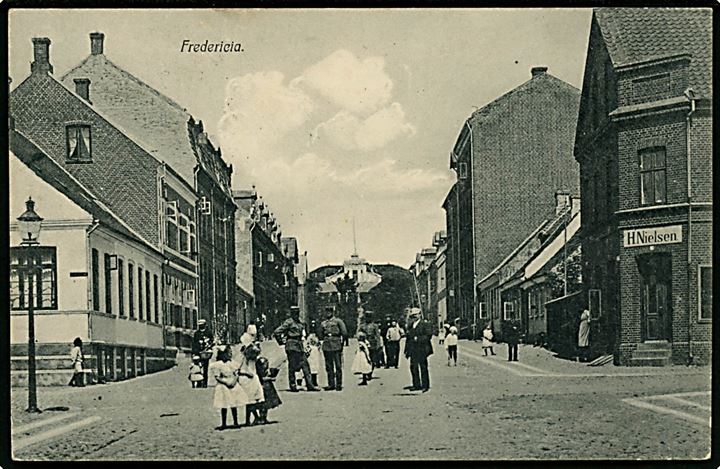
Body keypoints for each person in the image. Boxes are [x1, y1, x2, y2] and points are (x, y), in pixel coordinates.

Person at [273, 306, 320, 392]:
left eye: (297, 312)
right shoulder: (288, 322)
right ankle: (293, 385)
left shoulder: (300, 322)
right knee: (292, 366)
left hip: (299, 345)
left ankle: (310, 385)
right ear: (292, 313)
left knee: (305, 365)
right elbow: (277, 332)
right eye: (294, 313)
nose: (296, 314)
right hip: (291, 345)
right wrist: (281, 342)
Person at [209, 345, 247, 430]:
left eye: (230, 353)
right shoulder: (218, 365)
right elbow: (217, 377)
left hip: (232, 383)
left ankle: (235, 422)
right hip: (223, 385)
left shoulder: (231, 363)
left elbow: (236, 372)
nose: (230, 355)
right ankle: (224, 423)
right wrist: (226, 382)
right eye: (228, 353)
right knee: (224, 404)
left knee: (234, 403)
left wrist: (234, 380)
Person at [237, 334, 265, 426]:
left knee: (249, 401)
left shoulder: (247, 352)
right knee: (251, 400)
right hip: (250, 377)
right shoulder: (251, 351)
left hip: (248, 377)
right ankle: (255, 418)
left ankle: (253, 419)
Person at [404, 308, 433, 392]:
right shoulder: (411, 325)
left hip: (422, 349)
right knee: (413, 367)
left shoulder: (424, 324)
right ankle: (416, 384)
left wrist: (418, 338)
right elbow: (408, 338)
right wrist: (407, 349)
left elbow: (428, 335)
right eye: (413, 315)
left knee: (423, 367)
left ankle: (425, 385)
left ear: (420, 314)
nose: (414, 317)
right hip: (413, 349)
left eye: (416, 315)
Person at [319, 306, 347, 391]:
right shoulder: (323, 323)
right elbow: (320, 334)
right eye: (327, 311)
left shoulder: (338, 321)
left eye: (330, 311)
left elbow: (344, 333)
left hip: (336, 344)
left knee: (338, 366)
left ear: (332, 312)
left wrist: (342, 344)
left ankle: (338, 384)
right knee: (329, 366)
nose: (328, 313)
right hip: (327, 345)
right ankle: (331, 384)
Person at [255, 356, 282, 424]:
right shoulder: (259, 372)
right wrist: (270, 379)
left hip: (268, 388)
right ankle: (261, 417)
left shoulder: (266, 370)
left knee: (266, 405)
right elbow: (262, 378)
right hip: (263, 387)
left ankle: (264, 417)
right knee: (262, 404)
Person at [192, 319, 214, 388]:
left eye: (202, 325)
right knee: (198, 368)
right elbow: (194, 343)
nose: (201, 326)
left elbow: (212, 341)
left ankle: (205, 382)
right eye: (200, 325)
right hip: (198, 352)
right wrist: (194, 352)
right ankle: (198, 381)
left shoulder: (208, 333)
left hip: (205, 352)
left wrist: (209, 346)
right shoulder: (197, 333)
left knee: (205, 368)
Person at [305, 324, 321, 389]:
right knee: (310, 365)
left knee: (315, 366)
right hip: (310, 351)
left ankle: (314, 380)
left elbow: (318, 344)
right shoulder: (309, 337)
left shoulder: (316, 337)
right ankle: (310, 381)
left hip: (315, 350)